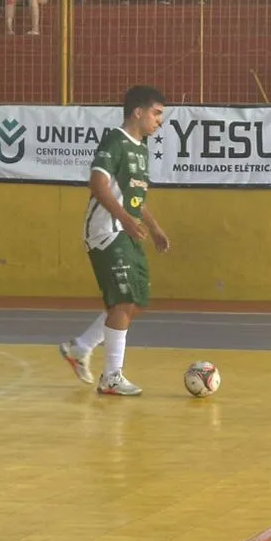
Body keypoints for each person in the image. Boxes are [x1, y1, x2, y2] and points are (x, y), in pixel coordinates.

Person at [59, 86, 172, 395]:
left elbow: (136, 198)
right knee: (123, 301)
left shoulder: (141, 148)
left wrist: (156, 228)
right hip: (106, 230)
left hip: (127, 230)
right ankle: (111, 377)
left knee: (134, 302)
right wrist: (124, 220)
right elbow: (97, 184)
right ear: (138, 111)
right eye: (156, 113)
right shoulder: (115, 141)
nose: (159, 121)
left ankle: (80, 348)